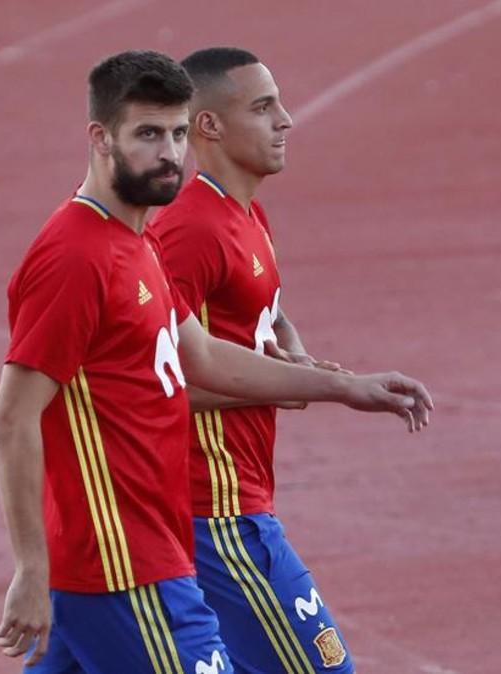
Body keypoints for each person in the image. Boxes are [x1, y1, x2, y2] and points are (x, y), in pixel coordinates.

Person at [0, 50, 431, 673]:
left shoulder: (135, 241)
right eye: (148, 134)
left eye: (174, 132)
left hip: (147, 549)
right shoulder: (76, 256)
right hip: (125, 560)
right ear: (100, 138)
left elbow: (199, 357)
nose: (169, 153)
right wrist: (30, 570)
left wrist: (341, 386)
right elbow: (13, 417)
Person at [149, 47, 362, 673]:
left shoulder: (245, 214)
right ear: (208, 126)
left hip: (236, 499)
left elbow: (266, 309)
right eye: (264, 107)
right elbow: (159, 377)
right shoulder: (188, 233)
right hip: (213, 511)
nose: (286, 120)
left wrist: (297, 357)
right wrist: (309, 387)